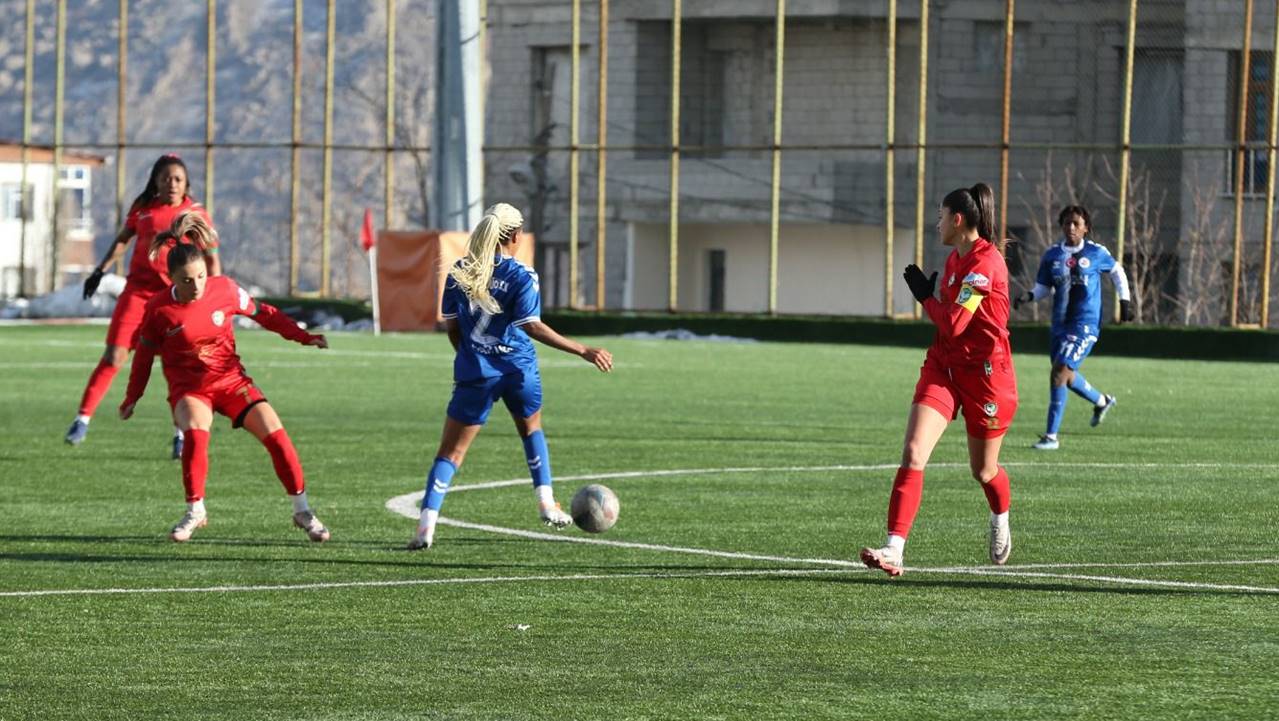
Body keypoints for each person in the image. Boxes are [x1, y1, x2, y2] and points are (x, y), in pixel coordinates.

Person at [408, 203, 613, 550]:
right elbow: (530, 326)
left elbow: (452, 327)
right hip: (519, 371)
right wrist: (583, 350)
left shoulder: (460, 271)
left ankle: (426, 526)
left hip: (476, 372)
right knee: (531, 430)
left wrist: (470, 358)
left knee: (451, 454)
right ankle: (546, 503)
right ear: (516, 236)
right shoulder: (522, 275)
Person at [119, 213, 331, 544]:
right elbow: (144, 356)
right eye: (187, 280)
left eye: (201, 276)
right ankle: (195, 511)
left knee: (277, 437)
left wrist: (304, 337)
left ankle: (302, 510)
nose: (196, 285)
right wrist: (133, 396)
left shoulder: (226, 290)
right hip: (190, 389)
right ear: (171, 277)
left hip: (232, 383)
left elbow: (265, 315)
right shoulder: (159, 310)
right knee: (196, 434)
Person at [860, 183, 1018, 577]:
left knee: (983, 471)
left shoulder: (985, 264)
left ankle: (1000, 516)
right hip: (945, 368)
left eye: (940, 216)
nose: (937, 224)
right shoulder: (954, 260)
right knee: (914, 452)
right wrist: (934, 297)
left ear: (958, 219)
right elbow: (949, 328)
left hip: (986, 377)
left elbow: (954, 322)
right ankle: (894, 549)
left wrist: (925, 299)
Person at [67, 154, 221, 459]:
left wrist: (213, 296)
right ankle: (81, 419)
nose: (172, 183)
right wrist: (100, 270)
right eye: (166, 178)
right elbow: (123, 240)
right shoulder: (144, 209)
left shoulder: (195, 213)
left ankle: (181, 434)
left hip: (174, 299)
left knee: (175, 366)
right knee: (114, 355)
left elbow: (212, 258)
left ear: (186, 183)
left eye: (177, 178)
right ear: (156, 181)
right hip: (137, 293)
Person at [1013, 205, 1133, 450]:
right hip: (1059, 325)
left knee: (1059, 372)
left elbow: (1117, 272)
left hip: (1085, 324)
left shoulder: (1096, 252)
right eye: (1067, 223)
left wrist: (1125, 302)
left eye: (1076, 223)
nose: (1071, 227)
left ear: (1086, 228)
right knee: (1066, 377)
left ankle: (1050, 437)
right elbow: (1043, 288)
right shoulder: (1052, 255)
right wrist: (1027, 297)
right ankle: (1102, 401)